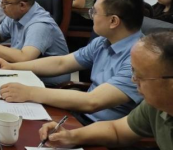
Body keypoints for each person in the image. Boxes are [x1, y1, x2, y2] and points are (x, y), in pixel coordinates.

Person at [0, 0, 144, 122]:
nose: (91, 15)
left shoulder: (139, 59)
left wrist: (29, 92)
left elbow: (93, 101)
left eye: (94, 12)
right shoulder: (102, 42)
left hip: (103, 130)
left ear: (113, 21)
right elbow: (61, 63)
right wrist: (12, 67)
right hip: (80, 115)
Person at [38, 31, 173, 149]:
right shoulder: (153, 106)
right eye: (133, 72)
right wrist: (71, 136)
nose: (133, 80)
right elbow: (116, 130)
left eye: (141, 76)